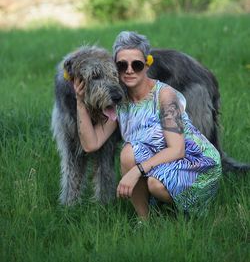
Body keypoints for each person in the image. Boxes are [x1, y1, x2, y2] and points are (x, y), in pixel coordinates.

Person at [74, 31, 222, 219]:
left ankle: (186, 215)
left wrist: (137, 170)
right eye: (121, 65)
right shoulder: (121, 102)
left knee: (155, 184)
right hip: (161, 161)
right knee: (128, 152)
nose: (129, 70)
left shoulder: (165, 96)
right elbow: (91, 144)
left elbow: (177, 150)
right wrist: (80, 102)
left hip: (194, 162)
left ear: (147, 64)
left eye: (136, 65)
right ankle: (145, 222)